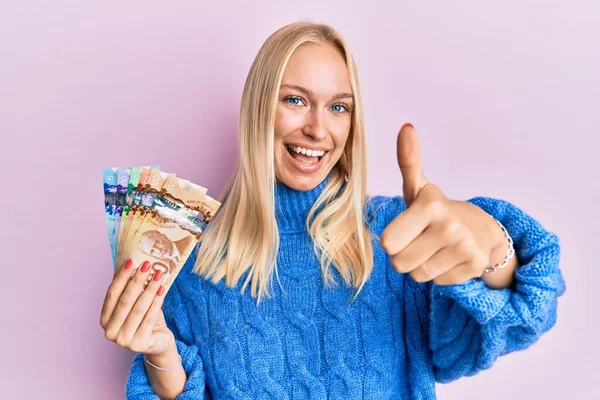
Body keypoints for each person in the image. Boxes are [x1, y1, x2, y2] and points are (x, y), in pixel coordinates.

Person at [100, 21, 566, 399]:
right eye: (296, 100)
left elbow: (517, 321)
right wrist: (160, 351)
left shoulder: (397, 234)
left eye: (339, 107)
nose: (318, 129)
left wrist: (491, 248)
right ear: (259, 109)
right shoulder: (193, 252)